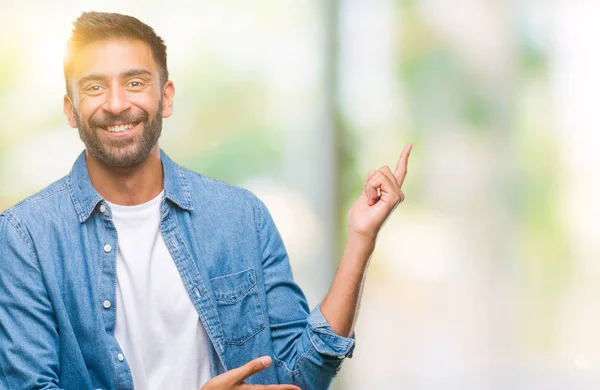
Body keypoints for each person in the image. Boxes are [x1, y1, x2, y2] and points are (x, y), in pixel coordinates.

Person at [0, 11, 412, 390]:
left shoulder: (240, 217)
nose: (117, 103)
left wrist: (360, 239)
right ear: (71, 110)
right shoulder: (25, 237)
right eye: (94, 87)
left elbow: (298, 375)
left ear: (167, 97)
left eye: (135, 82)